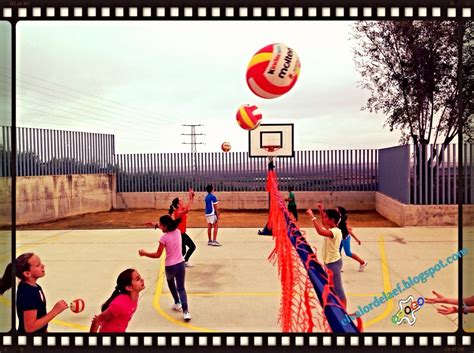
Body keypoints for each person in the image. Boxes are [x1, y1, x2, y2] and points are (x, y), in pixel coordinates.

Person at [139, 215, 191, 321]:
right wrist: (155, 224)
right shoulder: (177, 231)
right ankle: (186, 312)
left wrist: (145, 254)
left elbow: (157, 255)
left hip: (170, 266)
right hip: (181, 264)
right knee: (181, 288)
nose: (160, 227)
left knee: (171, 283)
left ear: (165, 226)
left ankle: (177, 302)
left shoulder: (164, 238)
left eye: (161, 225)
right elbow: (167, 226)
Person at [0, 253, 68, 333]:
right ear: (27, 273)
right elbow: (30, 327)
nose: (43, 265)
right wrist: (55, 311)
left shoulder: (35, 287)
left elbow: (39, 316)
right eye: (38, 265)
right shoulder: (28, 293)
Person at [306, 208, 347, 308]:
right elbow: (323, 226)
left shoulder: (336, 232)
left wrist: (312, 216)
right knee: (332, 288)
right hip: (329, 263)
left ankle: (344, 314)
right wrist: (321, 211)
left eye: (326, 217)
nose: (324, 219)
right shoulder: (332, 230)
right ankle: (337, 308)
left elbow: (320, 231)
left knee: (338, 289)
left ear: (332, 220)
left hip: (334, 264)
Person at [168, 188, 197, 267]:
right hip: (180, 234)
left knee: (183, 251)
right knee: (192, 247)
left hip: (181, 233)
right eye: (180, 201)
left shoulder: (181, 209)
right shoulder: (178, 212)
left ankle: (177, 262)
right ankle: (184, 261)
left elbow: (189, 207)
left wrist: (192, 197)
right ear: (177, 204)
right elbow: (187, 210)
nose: (182, 201)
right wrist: (190, 197)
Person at [335, 206, 368, 272]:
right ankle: (339, 266)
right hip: (340, 238)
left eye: (336, 210)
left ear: (339, 212)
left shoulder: (342, 221)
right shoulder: (338, 219)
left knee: (348, 253)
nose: (335, 211)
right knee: (337, 252)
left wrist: (356, 239)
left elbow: (348, 230)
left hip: (345, 238)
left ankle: (362, 262)